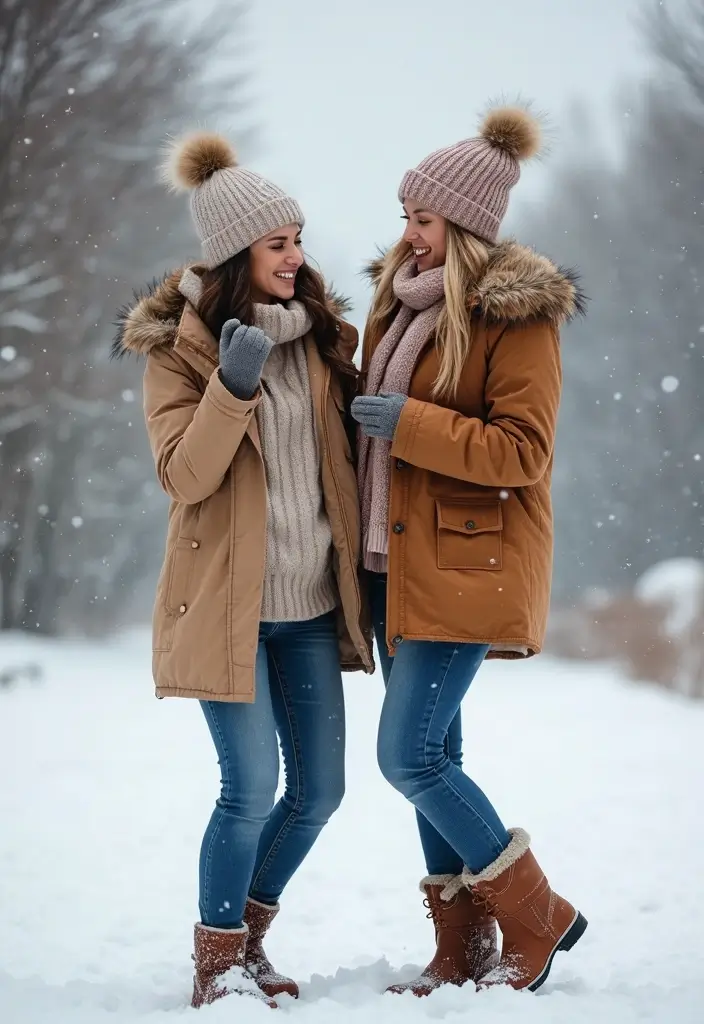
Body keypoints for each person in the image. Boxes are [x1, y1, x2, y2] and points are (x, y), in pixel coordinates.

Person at [113, 132, 373, 1008]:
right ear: (235, 256)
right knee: (251, 788)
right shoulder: (177, 352)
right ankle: (217, 963)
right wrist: (230, 387)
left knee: (321, 792)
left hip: (309, 610)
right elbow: (183, 476)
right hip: (228, 608)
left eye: (297, 240)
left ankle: (247, 939)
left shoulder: (323, 341)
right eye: (276, 244)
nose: (295, 257)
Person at [351, 105, 588, 997]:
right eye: (405, 215)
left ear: (466, 225)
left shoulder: (516, 317)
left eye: (424, 218)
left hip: (463, 566)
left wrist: (409, 423)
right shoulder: (398, 306)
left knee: (409, 759)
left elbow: (523, 453)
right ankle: (462, 951)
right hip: (392, 565)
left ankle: (539, 913)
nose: (408, 234)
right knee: (435, 757)